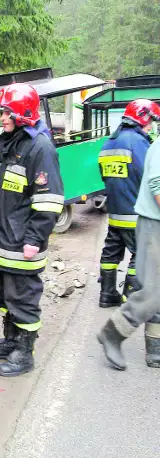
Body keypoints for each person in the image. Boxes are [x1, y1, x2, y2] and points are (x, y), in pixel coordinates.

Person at [0, 83, 64, 377]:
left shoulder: (40, 147)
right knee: (4, 295)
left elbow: (49, 201)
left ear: (23, 114)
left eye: (7, 112)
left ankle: (25, 352)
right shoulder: (15, 143)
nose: (2, 118)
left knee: (23, 299)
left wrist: (34, 240)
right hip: (3, 241)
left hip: (21, 244)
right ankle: (10, 340)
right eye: (2, 112)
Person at [98, 107, 160, 370]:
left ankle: (107, 294)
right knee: (152, 287)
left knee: (114, 256)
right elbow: (155, 183)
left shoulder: (110, 142)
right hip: (145, 218)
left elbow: (105, 176)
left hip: (116, 211)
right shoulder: (145, 144)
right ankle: (115, 330)